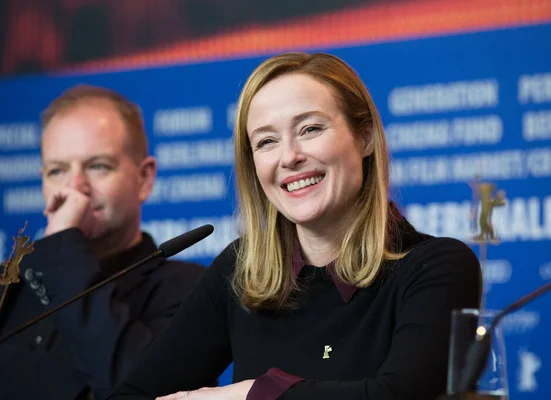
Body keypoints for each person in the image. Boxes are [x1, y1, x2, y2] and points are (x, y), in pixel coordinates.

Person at [109, 52, 482, 400]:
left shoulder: (436, 266)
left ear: (365, 136)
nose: (289, 157)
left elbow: (401, 396)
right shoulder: (242, 268)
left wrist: (250, 393)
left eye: (310, 129)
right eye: (267, 141)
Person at [0, 85, 206, 400]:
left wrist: (65, 246)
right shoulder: (8, 285)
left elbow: (137, 389)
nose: (75, 189)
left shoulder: (188, 288)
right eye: (57, 171)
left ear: (144, 178)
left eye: (98, 166)